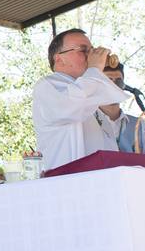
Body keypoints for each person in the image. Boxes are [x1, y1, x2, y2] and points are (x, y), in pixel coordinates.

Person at [32, 28, 125, 171]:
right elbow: (71, 106)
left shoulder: (88, 90)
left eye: (92, 50)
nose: (91, 56)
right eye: (83, 51)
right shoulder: (48, 85)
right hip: (67, 183)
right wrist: (94, 69)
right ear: (59, 58)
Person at [95, 59, 145, 155]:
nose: (114, 86)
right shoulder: (86, 121)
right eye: (108, 81)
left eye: (118, 82)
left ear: (123, 86)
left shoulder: (140, 125)